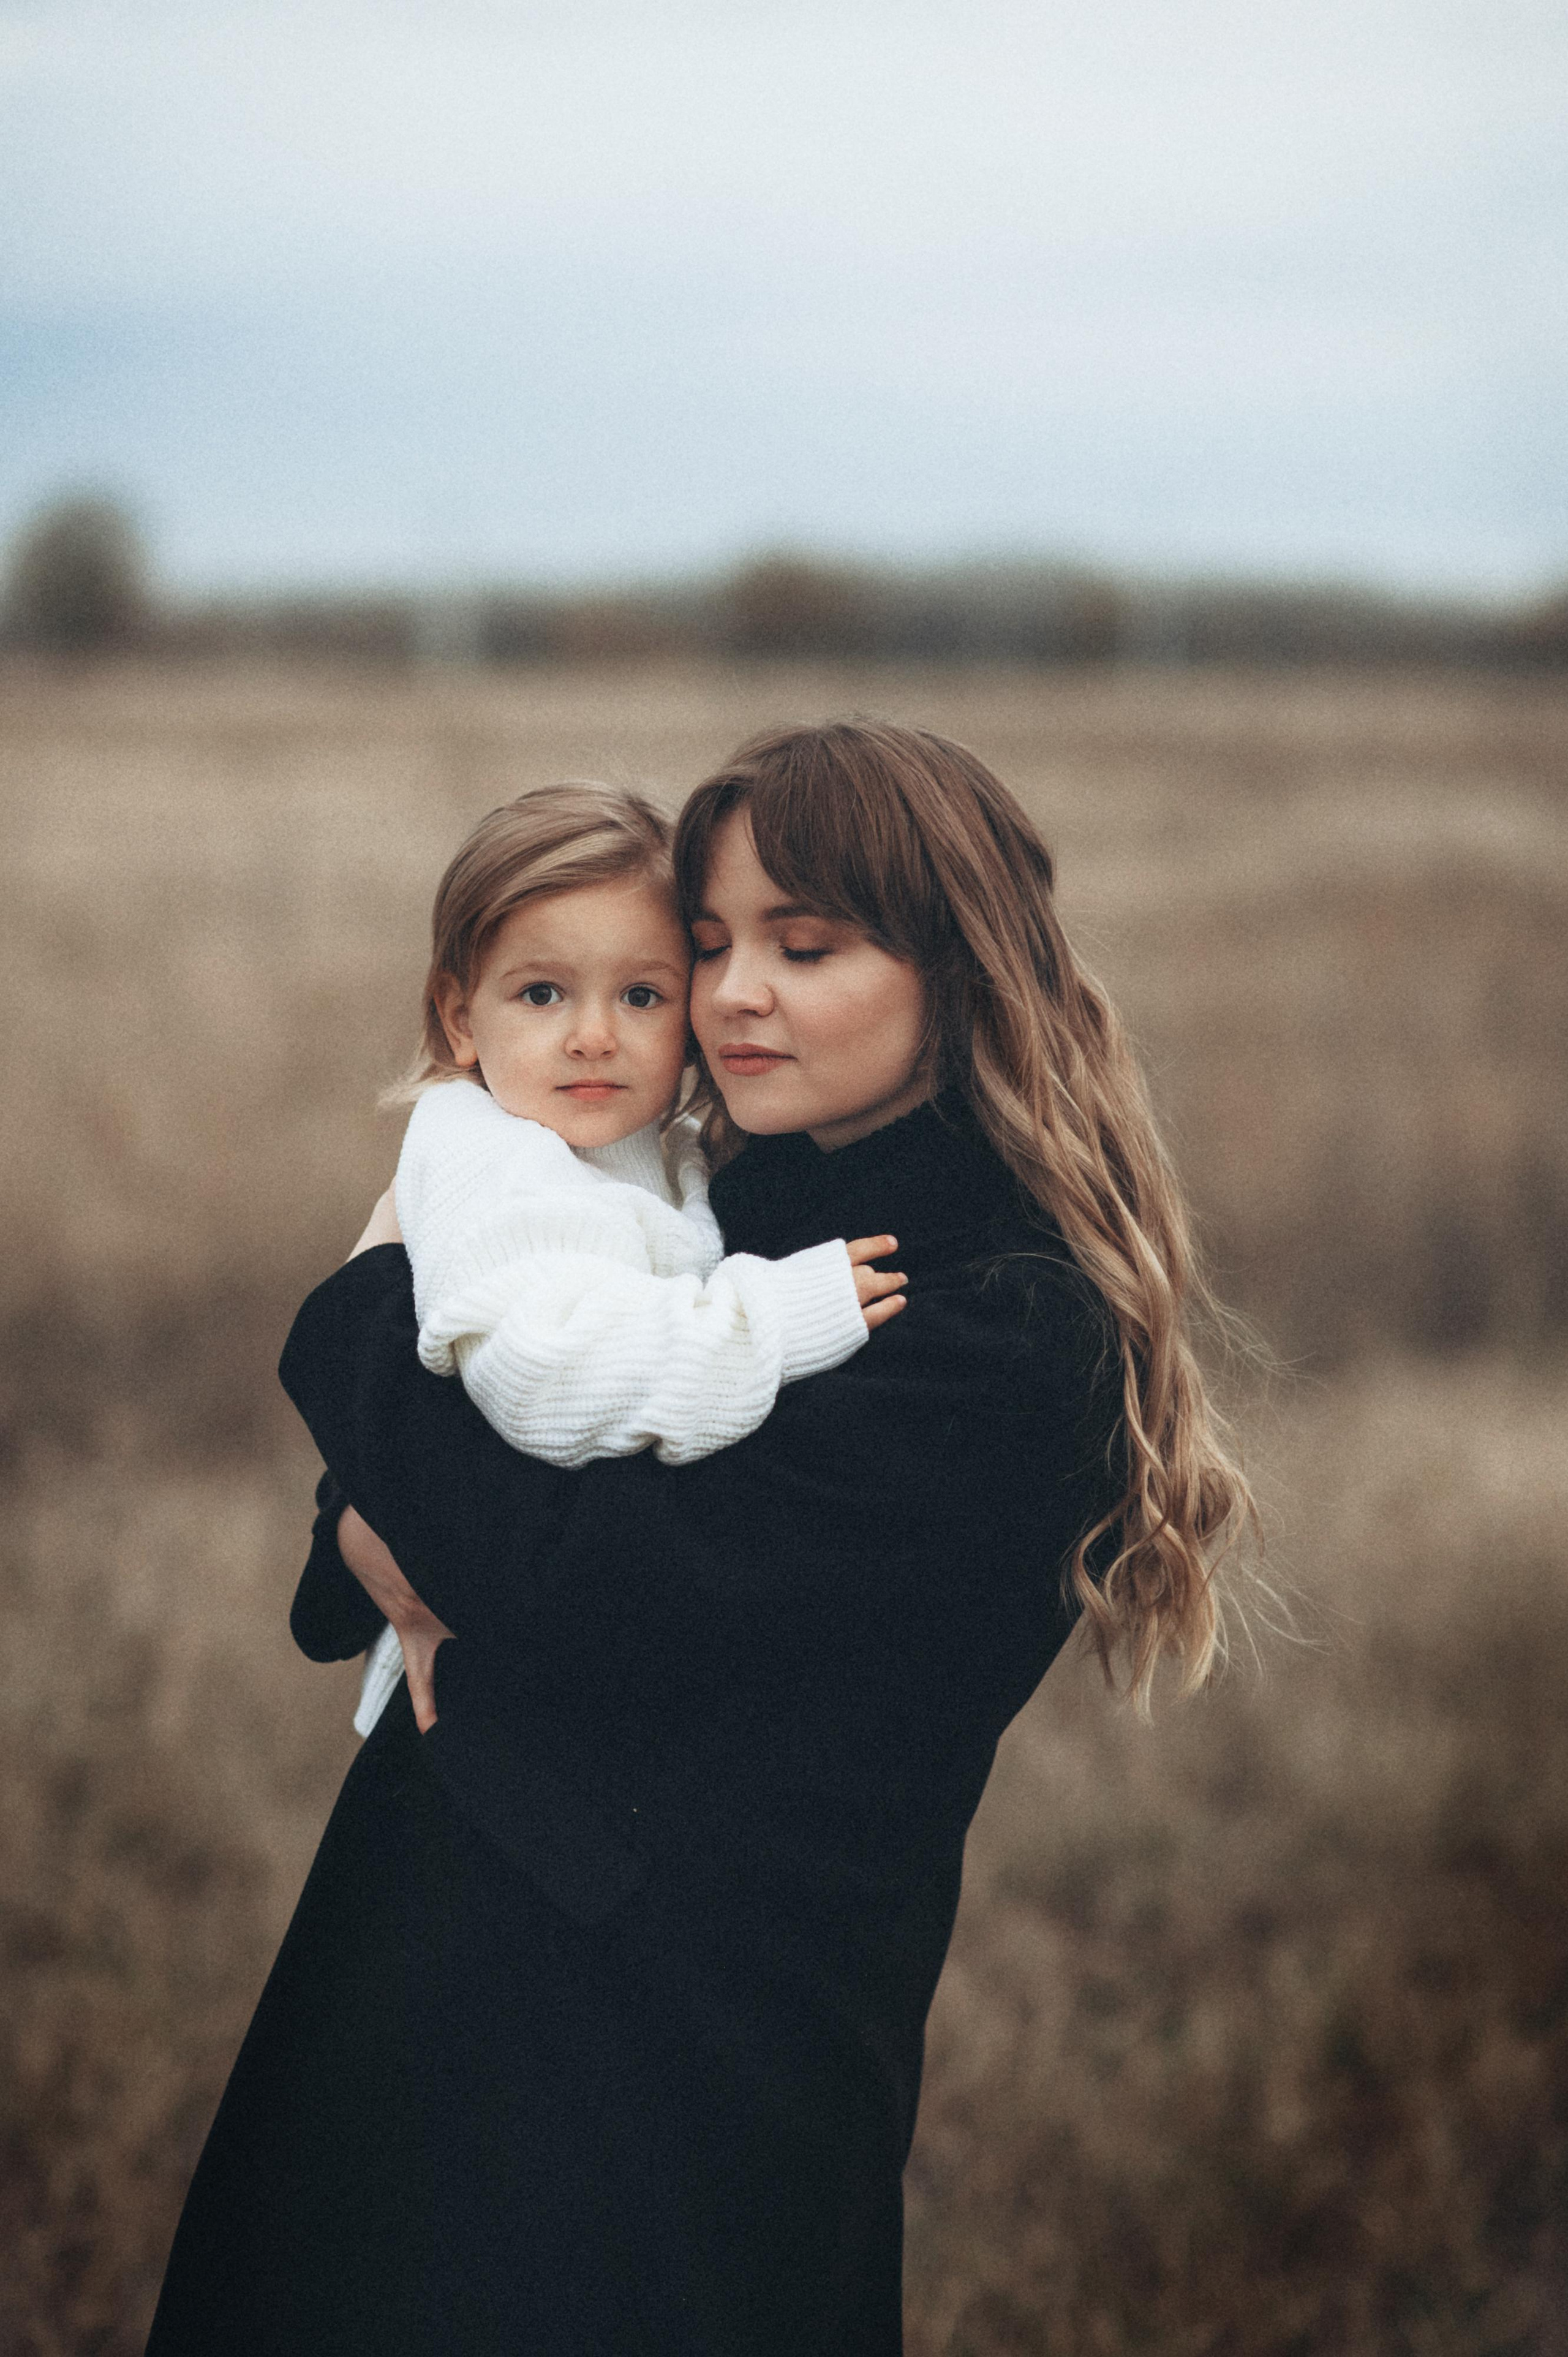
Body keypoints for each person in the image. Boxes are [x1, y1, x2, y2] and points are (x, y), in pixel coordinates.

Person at [146, 721, 1251, 2357]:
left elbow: (585, 1586)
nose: (734, 995)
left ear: (960, 972)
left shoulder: (1003, 1332)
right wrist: (411, 1504)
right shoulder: (730, 1196)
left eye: (805, 948)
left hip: (680, 2081)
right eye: (712, 946)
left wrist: (364, 1316)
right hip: (446, 1986)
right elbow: (434, 1497)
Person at [347, 781, 906, 1736]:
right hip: (485, 1749)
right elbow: (548, 1374)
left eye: (643, 995)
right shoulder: (492, 1155)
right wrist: (769, 1315)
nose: (595, 1035)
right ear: (459, 1019)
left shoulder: (639, 1145)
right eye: (541, 993)